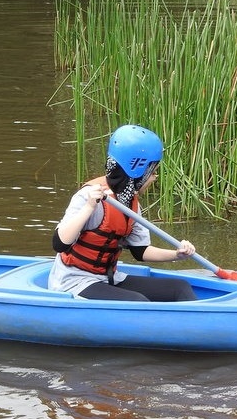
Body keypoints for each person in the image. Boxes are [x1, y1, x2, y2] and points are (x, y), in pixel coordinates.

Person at [48, 124, 198, 301]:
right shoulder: (88, 197)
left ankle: (200, 326)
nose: (154, 178)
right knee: (138, 302)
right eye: (152, 172)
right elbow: (59, 243)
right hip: (74, 282)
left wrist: (177, 255)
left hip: (108, 279)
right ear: (137, 170)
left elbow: (140, 251)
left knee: (179, 288)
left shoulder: (130, 201)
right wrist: (89, 207)